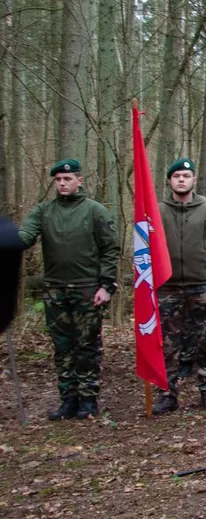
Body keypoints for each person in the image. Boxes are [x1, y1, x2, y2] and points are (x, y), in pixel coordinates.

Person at [18, 159, 120, 420]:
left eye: (67, 179)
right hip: (55, 290)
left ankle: (88, 399)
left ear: (79, 180)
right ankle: (68, 400)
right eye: (58, 180)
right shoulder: (44, 211)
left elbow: (110, 249)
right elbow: (25, 237)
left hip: (88, 289)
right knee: (62, 347)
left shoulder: (95, 211)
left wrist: (106, 285)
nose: (62, 184)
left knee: (87, 346)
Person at [156, 158, 206, 413]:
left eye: (186, 176)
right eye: (177, 176)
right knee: (168, 345)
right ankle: (167, 394)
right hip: (168, 289)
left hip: (202, 287)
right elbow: (146, 250)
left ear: (194, 180)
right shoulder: (158, 211)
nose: (181, 180)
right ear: (170, 181)